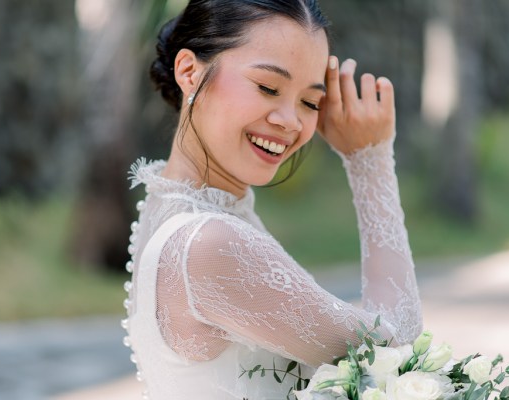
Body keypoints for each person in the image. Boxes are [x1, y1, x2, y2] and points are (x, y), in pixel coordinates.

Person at [122, 1, 422, 399]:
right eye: (267, 87)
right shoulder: (208, 244)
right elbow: (395, 351)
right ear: (189, 71)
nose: (291, 121)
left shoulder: (175, 207)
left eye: (310, 102)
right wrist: (370, 158)